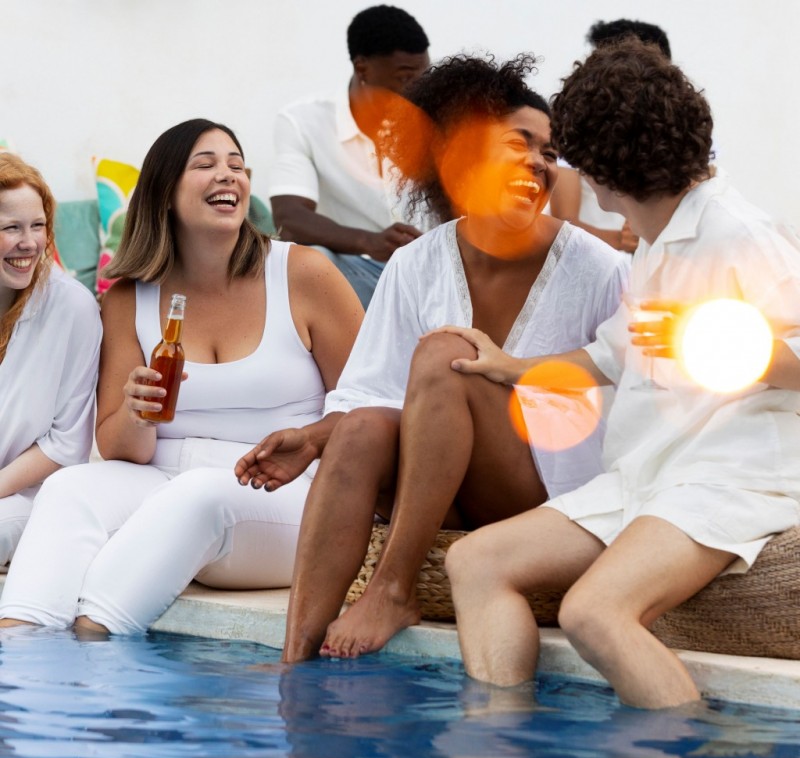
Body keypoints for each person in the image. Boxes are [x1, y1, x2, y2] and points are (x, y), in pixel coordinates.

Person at [442, 40, 800, 709]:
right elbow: (611, 355)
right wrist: (508, 367)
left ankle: (687, 753)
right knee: (475, 562)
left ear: (606, 170)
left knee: (592, 613)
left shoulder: (738, 233)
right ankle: (496, 746)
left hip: (731, 478)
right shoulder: (656, 241)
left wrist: (713, 336)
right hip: (647, 474)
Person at [236, 54, 629, 662]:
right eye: (518, 144)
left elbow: (630, 390)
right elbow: (371, 394)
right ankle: (295, 657)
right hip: (439, 489)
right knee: (361, 428)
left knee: (448, 352)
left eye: (550, 153)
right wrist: (313, 438)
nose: (538, 162)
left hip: (543, 494)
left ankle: (393, 587)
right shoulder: (415, 262)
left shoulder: (598, 268)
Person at [0, 119, 363, 633]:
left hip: (283, 492)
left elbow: (373, 400)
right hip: (162, 481)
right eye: (206, 164)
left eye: (237, 165)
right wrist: (137, 415)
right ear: (165, 192)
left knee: (199, 495)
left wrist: (311, 438)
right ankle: (21, 647)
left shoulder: (303, 274)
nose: (228, 175)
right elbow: (120, 451)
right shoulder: (130, 297)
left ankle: (95, 636)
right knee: (69, 489)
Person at [268, 4, 431, 309]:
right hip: (361, 276)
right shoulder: (303, 122)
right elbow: (289, 217)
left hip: (432, 276)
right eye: (405, 77)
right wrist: (370, 241)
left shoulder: (435, 120)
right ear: (362, 68)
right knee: (310, 260)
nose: (418, 90)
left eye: (424, 76)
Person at [0, 154, 101, 569]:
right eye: (11, 228)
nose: (28, 243)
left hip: (27, 494)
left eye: (37, 226)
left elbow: (66, 443)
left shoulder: (73, 308)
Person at [548, 19, 672, 259]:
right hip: (595, 263)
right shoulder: (575, 130)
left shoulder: (677, 132)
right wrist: (619, 240)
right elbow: (563, 222)